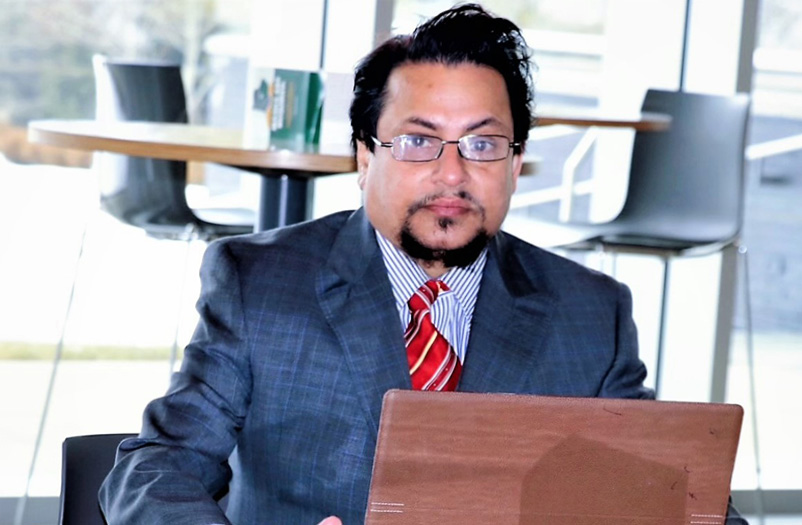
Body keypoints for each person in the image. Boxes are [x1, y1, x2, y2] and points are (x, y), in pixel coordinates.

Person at [99, 4, 744, 524]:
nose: (452, 172)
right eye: (418, 140)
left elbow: (675, 498)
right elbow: (157, 466)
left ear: (516, 165)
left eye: (484, 144)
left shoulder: (590, 312)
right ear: (363, 157)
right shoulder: (258, 284)